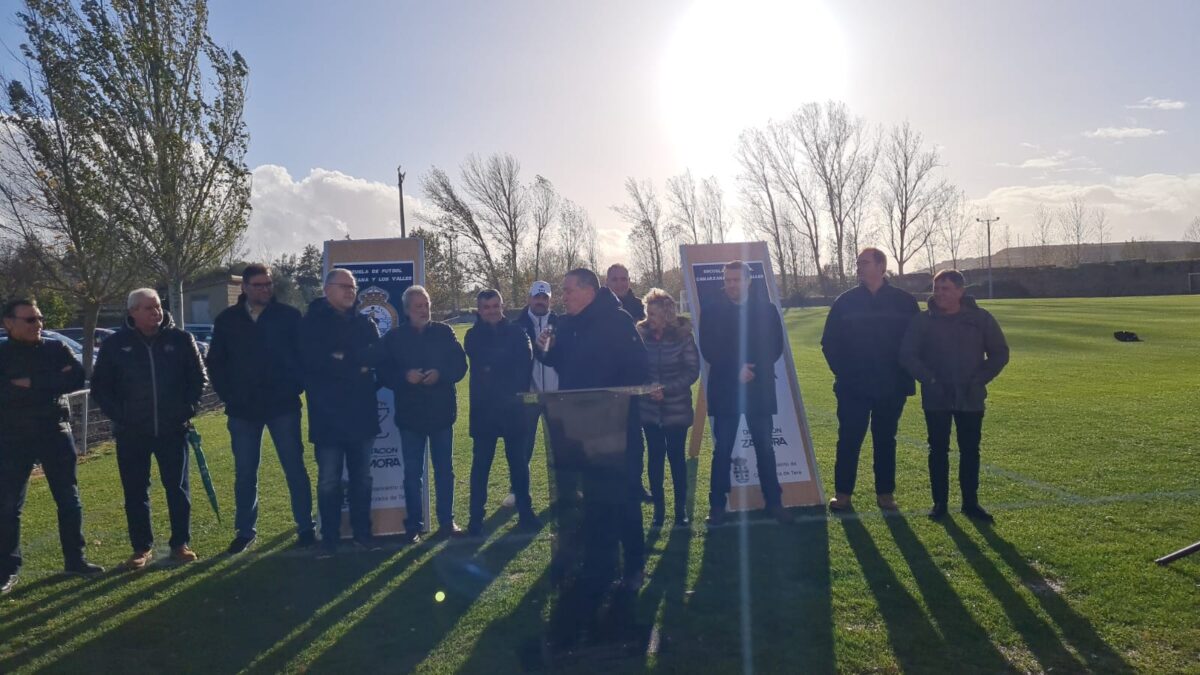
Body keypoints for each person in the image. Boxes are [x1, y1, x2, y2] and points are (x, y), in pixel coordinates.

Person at [537, 268, 649, 589]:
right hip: (579, 428)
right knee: (593, 500)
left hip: (617, 427)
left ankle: (634, 567)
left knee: (624, 497)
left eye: (568, 290)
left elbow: (639, 368)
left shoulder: (618, 321)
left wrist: (609, 396)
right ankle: (598, 565)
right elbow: (559, 362)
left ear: (588, 290)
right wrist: (546, 349)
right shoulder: (566, 324)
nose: (564, 297)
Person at [92, 288, 207, 569]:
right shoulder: (115, 344)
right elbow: (100, 387)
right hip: (132, 433)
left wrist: (186, 410)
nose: (155, 312)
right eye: (148, 308)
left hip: (172, 430)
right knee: (135, 492)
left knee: (177, 489)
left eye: (157, 306)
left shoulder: (181, 339)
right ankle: (141, 549)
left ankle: (180, 544)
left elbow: (198, 379)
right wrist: (121, 417)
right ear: (132, 312)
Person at [207, 263, 315, 553]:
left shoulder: (289, 316)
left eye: (268, 284)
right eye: (258, 285)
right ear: (244, 287)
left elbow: (303, 357)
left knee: (295, 468)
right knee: (245, 473)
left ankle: (306, 527)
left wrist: (294, 386)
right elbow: (216, 363)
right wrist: (230, 395)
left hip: (283, 407)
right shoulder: (227, 320)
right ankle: (245, 532)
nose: (265, 289)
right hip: (243, 411)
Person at [0, 299, 102, 594]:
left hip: (55, 432)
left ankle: (75, 560)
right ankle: (7, 569)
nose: (38, 324)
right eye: (30, 320)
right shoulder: (3, 354)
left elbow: (77, 376)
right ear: (9, 323)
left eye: (40, 318)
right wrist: (50, 384)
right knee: (8, 504)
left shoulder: (55, 348)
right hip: (13, 436)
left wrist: (31, 383)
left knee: (69, 499)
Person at [900, 269, 1010, 522]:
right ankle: (939, 503)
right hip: (936, 396)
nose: (939, 294)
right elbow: (907, 354)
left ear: (960, 291)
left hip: (970, 396)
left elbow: (1000, 353)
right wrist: (929, 379)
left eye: (945, 289)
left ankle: (970, 503)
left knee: (970, 450)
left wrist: (979, 379)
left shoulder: (980, 319)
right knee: (937, 449)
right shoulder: (923, 320)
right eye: (936, 289)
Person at [821, 248, 920, 513]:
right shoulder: (845, 302)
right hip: (853, 387)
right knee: (849, 439)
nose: (859, 267)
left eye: (864, 263)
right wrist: (844, 373)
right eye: (858, 263)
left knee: (886, 440)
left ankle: (885, 495)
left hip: (892, 386)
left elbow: (917, 341)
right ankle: (842, 494)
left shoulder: (904, 301)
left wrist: (905, 373)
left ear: (881, 266)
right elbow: (829, 343)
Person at [698, 260, 791, 526]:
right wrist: (736, 369)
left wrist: (753, 369)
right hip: (726, 389)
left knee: (765, 448)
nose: (731, 285)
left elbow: (774, 346)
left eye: (736, 280)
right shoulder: (711, 311)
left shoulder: (767, 310)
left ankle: (774, 503)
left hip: (759, 389)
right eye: (727, 280)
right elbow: (709, 348)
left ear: (749, 281)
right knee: (722, 449)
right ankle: (717, 506)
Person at [299, 269, 382, 557]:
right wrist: (356, 365)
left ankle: (362, 535)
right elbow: (313, 363)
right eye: (344, 286)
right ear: (327, 289)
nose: (351, 291)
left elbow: (377, 355)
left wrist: (342, 359)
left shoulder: (365, 322)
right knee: (329, 480)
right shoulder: (311, 323)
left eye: (353, 287)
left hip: (362, 415)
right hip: (328, 417)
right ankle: (330, 540)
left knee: (362, 479)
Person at [380, 285, 467, 541]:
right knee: (412, 474)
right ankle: (413, 526)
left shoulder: (444, 332)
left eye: (426, 305)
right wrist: (404, 376)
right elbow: (383, 372)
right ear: (407, 310)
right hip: (410, 417)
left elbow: (460, 366)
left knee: (444, 471)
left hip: (441, 414)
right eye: (418, 306)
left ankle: (447, 522)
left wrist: (441, 374)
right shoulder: (395, 338)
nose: (424, 310)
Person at [463, 289, 539, 536]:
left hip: (513, 408)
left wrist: (498, 367)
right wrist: (504, 361)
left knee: (519, 464)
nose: (492, 311)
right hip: (484, 409)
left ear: (502, 306)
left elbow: (525, 363)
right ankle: (476, 519)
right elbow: (484, 360)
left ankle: (526, 513)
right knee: (481, 465)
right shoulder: (472, 335)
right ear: (479, 310)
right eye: (486, 307)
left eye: (496, 306)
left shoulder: (518, 332)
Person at [636, 289, 700, 528]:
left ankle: (680, 509)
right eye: (647, 313)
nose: (649, 318)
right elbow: (635, 367)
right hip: (649, 408)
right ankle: (659, 510)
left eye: (653, 314)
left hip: (676, 409)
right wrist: (648, 388)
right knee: (655, 457)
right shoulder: (641, 335)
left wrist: (667, 389)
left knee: (676, 458)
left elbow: (692, 371)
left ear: (666, 314)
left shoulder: (684, 337)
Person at [512, 280, 559, 508]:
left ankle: (567, 488)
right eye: (537, 297)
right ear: (529, 298)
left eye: (544, 298)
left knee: (561, 445)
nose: (541, 301)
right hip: (528, 395)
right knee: (524, 446)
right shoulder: (517, 326)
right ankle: (517, 490)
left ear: (550, 300)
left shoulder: (561, 323)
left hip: (557, 395)